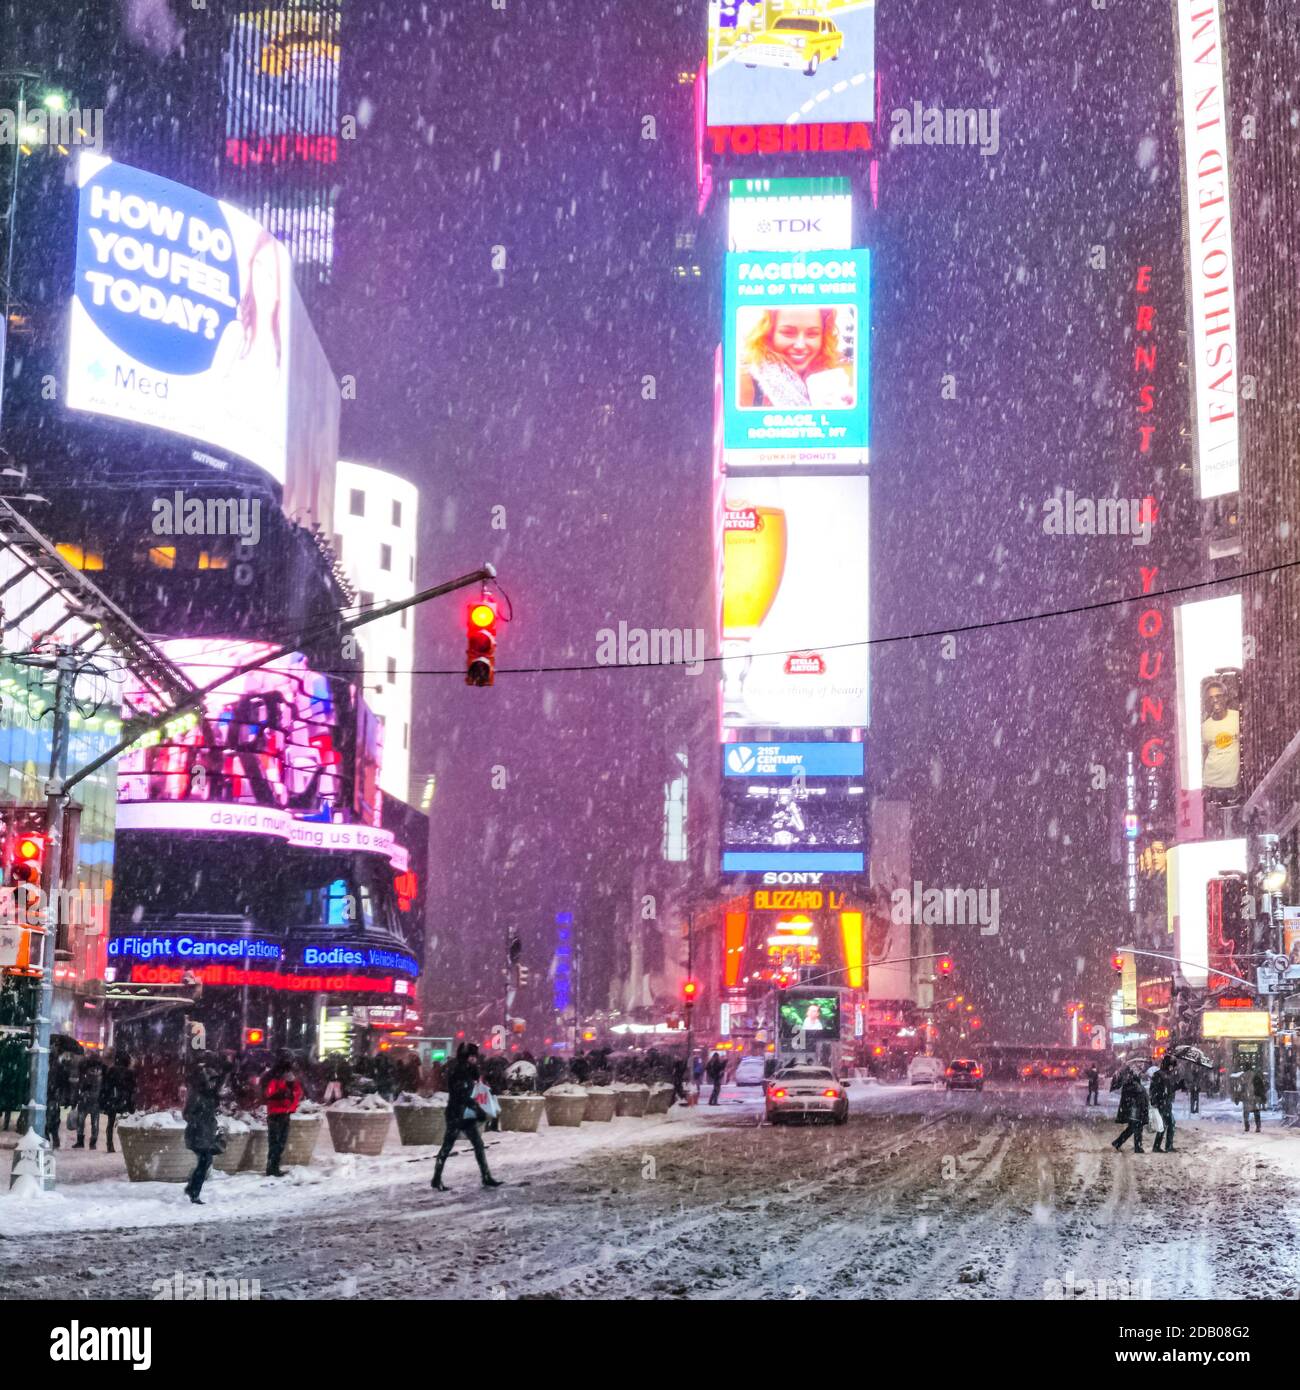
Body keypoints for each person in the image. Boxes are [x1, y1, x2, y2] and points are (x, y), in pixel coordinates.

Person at [738, 307, 854, 410]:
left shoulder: (830, 382)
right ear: (769, 334)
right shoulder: (746, 386)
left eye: (812, 334)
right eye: (788, 333)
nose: (800, 345)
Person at [431, 1043, 501, 1192]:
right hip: (456, 1114)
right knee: (448, 1146)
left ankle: (486, 1176)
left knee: (478, 1144)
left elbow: (470, 1091)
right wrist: (477, 1109)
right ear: (466, 1058)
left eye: (475, 1057)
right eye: (472, 1057)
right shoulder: (459, 1072)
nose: (475, 1060)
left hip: (465, 1115)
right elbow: (461, 1095)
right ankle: (436, 1178)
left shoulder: (468, 1071)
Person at [182, 1056, 226, 1205]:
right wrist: (200, 1122)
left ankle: (192, 1189)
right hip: (198, 1134)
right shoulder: (197, 1095)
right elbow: (187, 1114)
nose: (214, 1084)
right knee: (205, 1161)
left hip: (206, 1134)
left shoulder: (209, 1095)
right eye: (211, 1080)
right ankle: (194, 1192)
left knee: (205, 1162)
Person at [262, 1052, 303, 1177]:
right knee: (277, 1142)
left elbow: (296, 1092)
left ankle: (273, 1166)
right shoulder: (277, 1078)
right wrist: (285, 1095)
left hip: (281, 1112)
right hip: (279, 1112)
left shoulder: (282, 1077)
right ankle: (272, 1167)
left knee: (277, 1142)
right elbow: (270, 1093)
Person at [100, 1051, 136, 1155]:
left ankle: (110, 1144)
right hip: (125, 1100)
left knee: (110, 1123)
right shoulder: (130, 1072)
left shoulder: (112, 1070)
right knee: (128, 1122)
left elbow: (106, 1086)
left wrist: (105, 1099)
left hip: (113, 1099)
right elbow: (132, 1088)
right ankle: (128, 1144)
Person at [1111, 1071, 1149, 1153]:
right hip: (1136, 1112)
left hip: (1135, 1112)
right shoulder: (1135, 1086)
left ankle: (1118, 1143)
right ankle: (1137, 1147)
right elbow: (1139, 1099)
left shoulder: (1132, 1086)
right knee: (1137, 1129)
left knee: (1132, 1129)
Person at [72, 1053, 104, 1149]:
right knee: (95, 1122)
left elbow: (80, 1086)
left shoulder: (85, 1074)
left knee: (81, 1121)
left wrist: (77, 1098)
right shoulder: (101, 1074)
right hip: (96, 1101)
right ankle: (93, 1142)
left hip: (84, 1100)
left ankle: (80, 1141)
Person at [1150, 1057, 1178, 1153]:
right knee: (1167, 1124)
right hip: (1162, 1103)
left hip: (1166, 1103)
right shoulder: (1159, 1075)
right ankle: (1163, 1146)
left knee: (1167, 1124)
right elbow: (1153, 1089)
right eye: (1172, 1066)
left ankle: (1162, 1146)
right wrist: (1155, 1101)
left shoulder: (1167, 1075)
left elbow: (1169, 1089)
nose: (1172, 1068)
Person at [1242, 1064, 1266, 1133]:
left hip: (1246, 1097)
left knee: (1246, 1112)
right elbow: (1261, 1087)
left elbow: (1240, 1088)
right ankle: (1258, 1127)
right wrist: (1262, 1096)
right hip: (1255, 1097)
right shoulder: (1256, 1076)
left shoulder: (1243, 1076)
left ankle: (1247, 1126)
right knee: (1256, 1112)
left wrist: (1239, 1096)